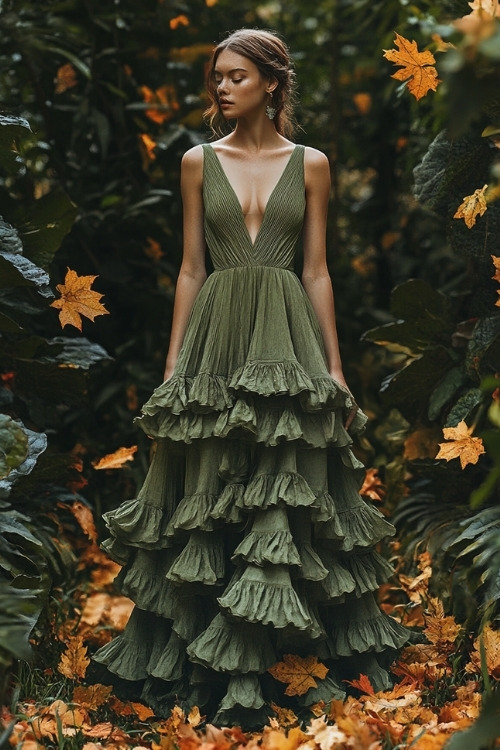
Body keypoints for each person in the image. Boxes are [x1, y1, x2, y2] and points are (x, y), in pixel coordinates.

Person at [92, 27, 409, 728]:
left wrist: (333, 365)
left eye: (236, 76)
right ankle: (205, 663)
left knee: (284, 483)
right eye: (218, 77)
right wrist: (175, 365)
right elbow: (190, 267)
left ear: (272, 83)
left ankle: (292, 660)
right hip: (216, 329)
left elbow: (317, 270)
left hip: (287, 330)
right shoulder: (197, 162)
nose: (221, 87)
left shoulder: (314, 164)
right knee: (211, 484)